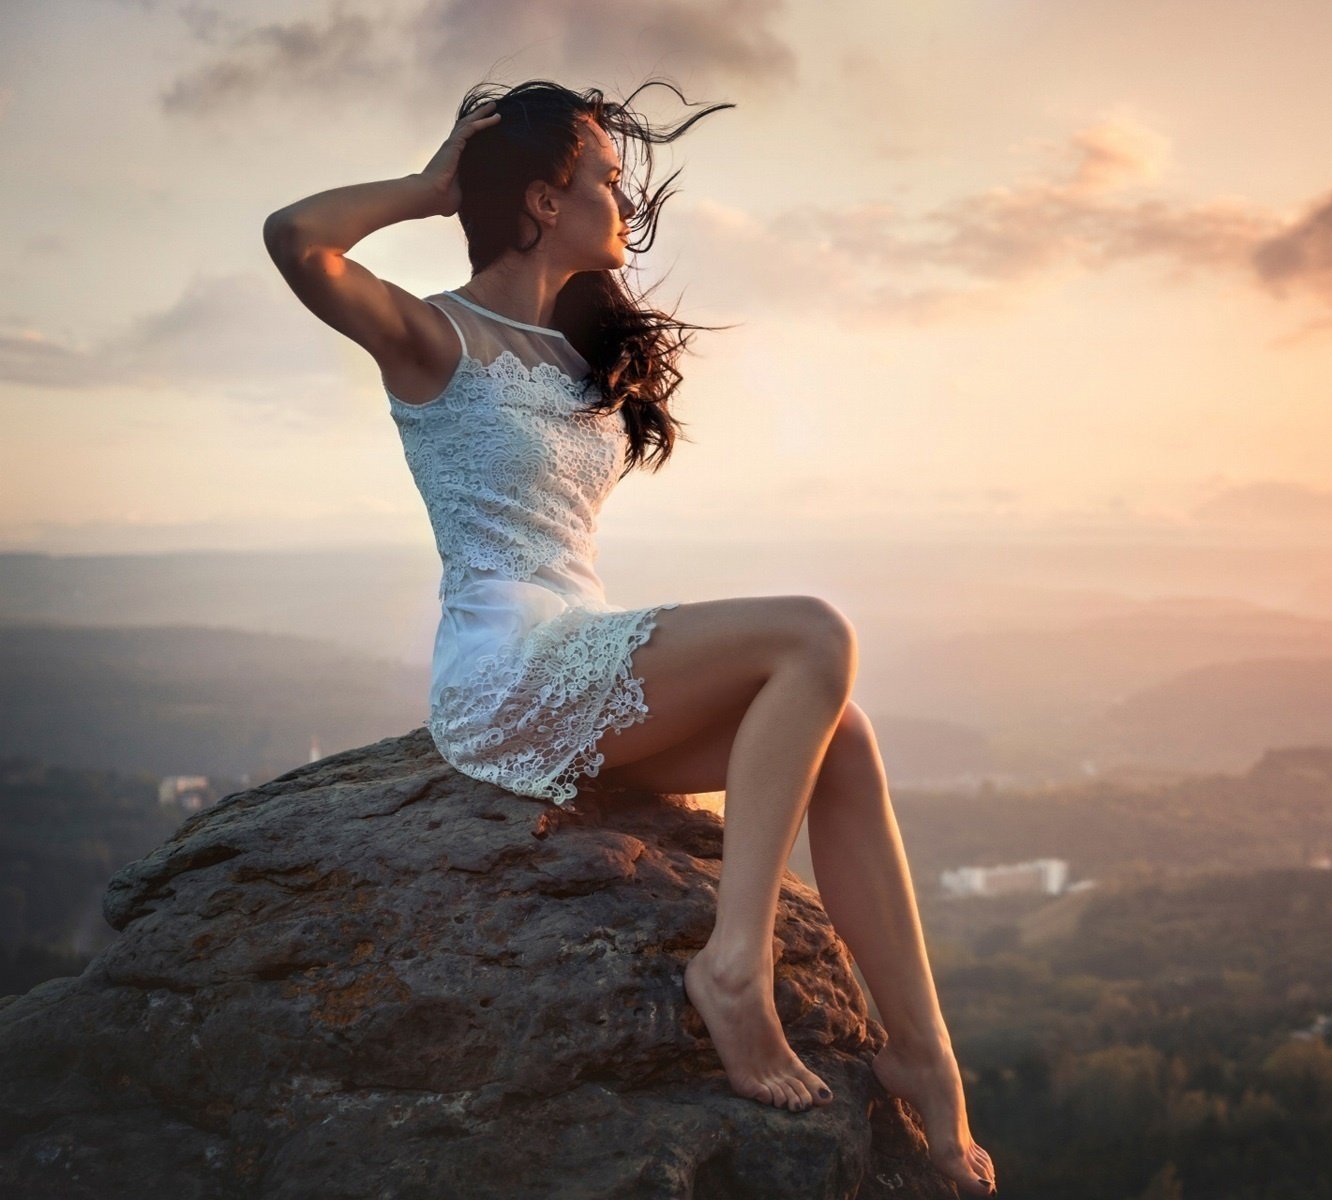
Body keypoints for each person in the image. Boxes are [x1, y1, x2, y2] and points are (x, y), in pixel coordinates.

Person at [262, 80, 996, 1196]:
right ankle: (733, 969)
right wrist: (427, 189)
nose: (623, 193)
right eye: (605, 174)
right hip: (506, 671)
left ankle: (926, 1061)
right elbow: (294, 239)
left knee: (840, 734)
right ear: (546, 194)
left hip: (580, 651)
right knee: (814, 633)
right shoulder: (435, 336)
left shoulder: (573, 354)